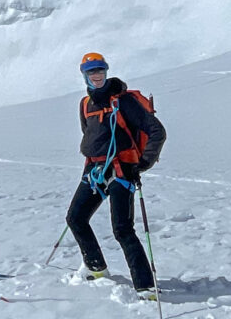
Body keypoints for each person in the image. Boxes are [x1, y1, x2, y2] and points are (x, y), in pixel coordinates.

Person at [67, 51, 166, 293]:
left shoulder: (123, 101)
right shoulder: (85, 104)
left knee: (122, 229)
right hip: (95, 171)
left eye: (100, 70)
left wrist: (141, 164)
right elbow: (90, 134)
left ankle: (145, 287)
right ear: (84, 75)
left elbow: (157, 132)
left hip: (122, 170)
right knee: (76, 218)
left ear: (106, 71)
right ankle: (95, 267)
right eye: (91, 72)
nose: (96, 75)